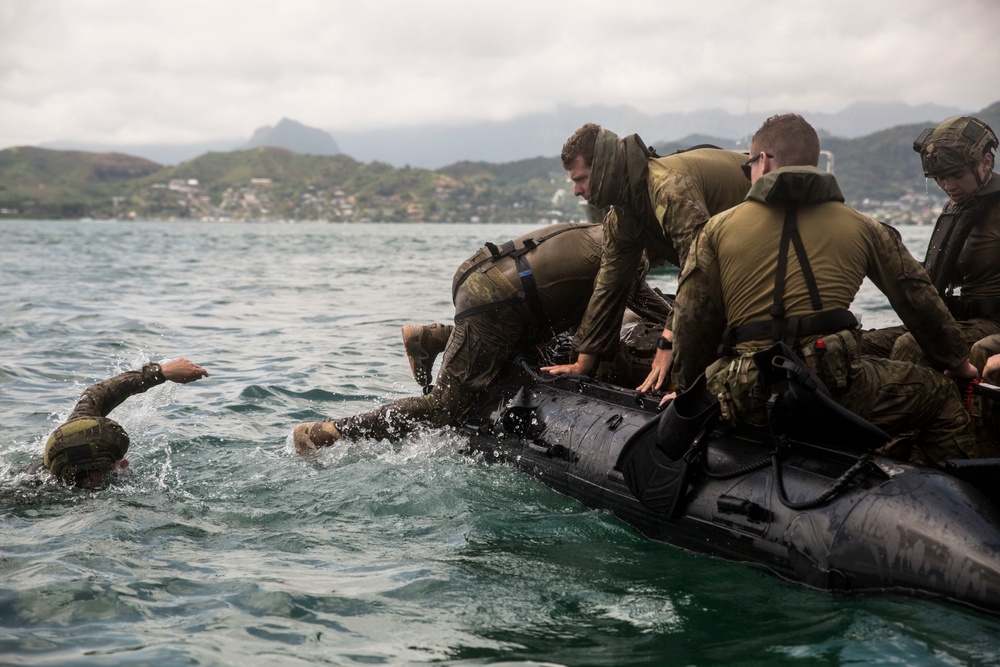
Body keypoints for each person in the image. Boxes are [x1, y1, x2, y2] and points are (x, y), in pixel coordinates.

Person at [670, 113, 977, 469]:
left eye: (747, 166)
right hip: (833, 391)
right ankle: (952, 500)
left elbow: (692, 324)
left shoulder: (715, 230)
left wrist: (687, 394)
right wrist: (958, 362)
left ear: (765, 161)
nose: (748, 175)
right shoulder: (866, 226)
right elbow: (919, 301)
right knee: (939, 395)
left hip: (743, 394)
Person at [292, 222, 672, 454]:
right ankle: (327, 433)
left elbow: (641, 301)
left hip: (488, 278)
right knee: (445, 406)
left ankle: (436, 337)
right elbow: (615, 313)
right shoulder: (631, 257)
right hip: (496, 303)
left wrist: (674, 319)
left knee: (530, 349)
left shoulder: (610, 233)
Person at [541, 123, 750, 393]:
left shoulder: (668, 189)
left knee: (694, 347)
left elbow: (699, 269)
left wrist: (667, 344)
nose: (576, 191)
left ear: (604, 168)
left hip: (763, 246)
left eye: (580, 179)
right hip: (728, 261)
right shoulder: (623, 216)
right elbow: (609, 286)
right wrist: (583, 362)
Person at [862, 116, 1000, 363]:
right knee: (860, 345)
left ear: (986, 162)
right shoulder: (959, 208)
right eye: (940, 178)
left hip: (993, 324)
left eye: (957, 175)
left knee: (912, 347)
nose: (948, 185)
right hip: (957, 320)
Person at [23, 358, 209, 488]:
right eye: (117, 461)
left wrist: (161, 372)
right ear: (93, 479)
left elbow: (97, 394)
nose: (125, 464)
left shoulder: (68, 443)